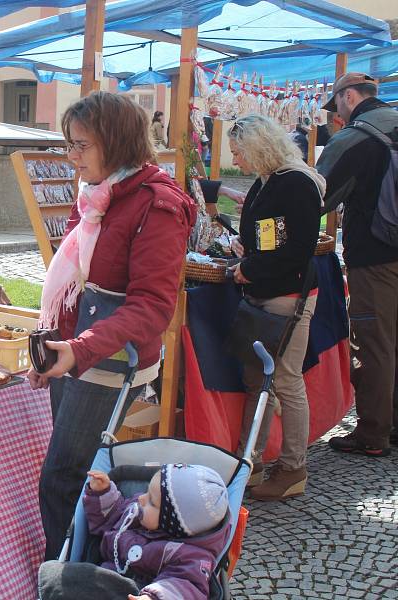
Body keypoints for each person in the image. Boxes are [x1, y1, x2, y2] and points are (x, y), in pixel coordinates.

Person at [28, 91, 196, 558]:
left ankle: (66, 575)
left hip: (108, 360)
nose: (72, 156)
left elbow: (153, 307)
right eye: (69, 144)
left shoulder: (156, 204)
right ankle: (76, 562)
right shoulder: (100, 195)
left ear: (116, 142)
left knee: (66, 475)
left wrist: (79, 349)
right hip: (80, 351)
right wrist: (53, 347)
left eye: (81, 145)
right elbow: (78, 284)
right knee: (71, 470)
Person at [227, 114, 324, 501]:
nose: (238, 161)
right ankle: (249, 461)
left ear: (258, 147)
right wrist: (245, 250)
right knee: (258, 380)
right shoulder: (270, 180)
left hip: (288, 294)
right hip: (266, 290)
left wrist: (248, 269)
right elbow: (271, 237)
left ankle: (293, 468)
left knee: (284, 379)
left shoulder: (295, 183)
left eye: (240, 153)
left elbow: (296, 250)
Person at [316, 72, 398, 456]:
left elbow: (317, 195)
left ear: (349, 97)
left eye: (339, 107)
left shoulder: (357, 137)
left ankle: (372, 433)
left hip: (376, 256)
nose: (339, 116)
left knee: (375, 343)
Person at [38, 464, 230, 600]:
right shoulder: (136, 513)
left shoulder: (189, 556)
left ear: (173, 525)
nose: (142, 499)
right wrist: (103, 493)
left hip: (138, 591)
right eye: (147, 492)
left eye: (153, 502)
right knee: (57, 574)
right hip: (104, 581)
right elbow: (110, 517)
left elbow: (184, 585)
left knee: (59, 578)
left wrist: (154, 596)